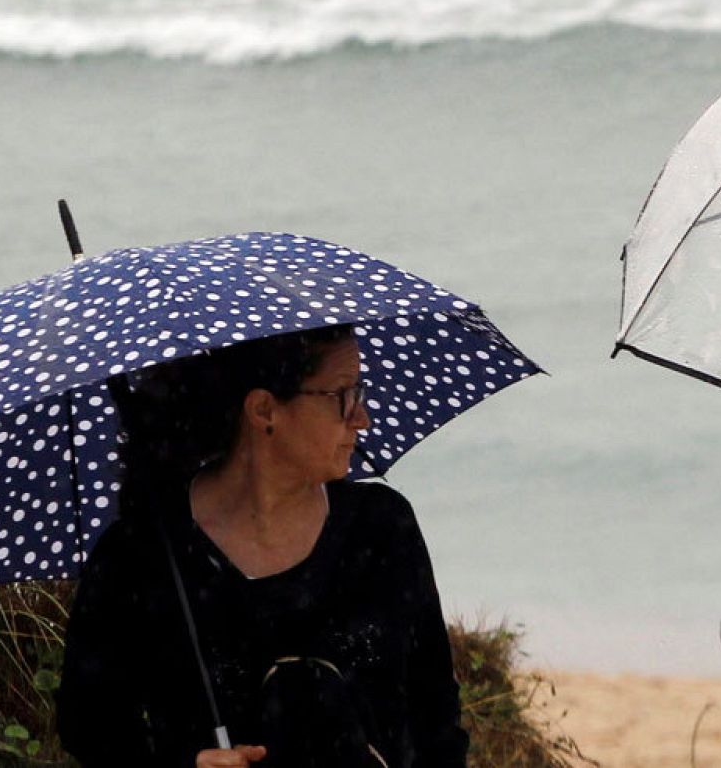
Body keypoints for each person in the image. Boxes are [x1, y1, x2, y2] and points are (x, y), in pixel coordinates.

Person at [57, 325, 468, 768]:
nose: (362, 417)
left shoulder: (381, 528)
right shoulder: (143, 555)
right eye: (344, 396)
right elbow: (90, 724)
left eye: (360, 393)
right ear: (264, 409)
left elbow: (436, 717)